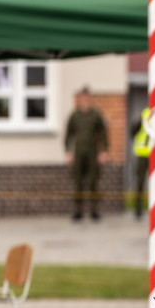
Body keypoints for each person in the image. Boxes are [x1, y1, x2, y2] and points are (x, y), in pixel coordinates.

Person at [64, 87, 108, 221]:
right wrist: (68, 152)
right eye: (83, 97)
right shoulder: (75, 115)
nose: (85, 99)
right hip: (78, 152)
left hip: (92, 152)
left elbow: (103, 134)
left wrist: (104, 151)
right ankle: (78, 211)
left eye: (87, 97)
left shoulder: (95, 115)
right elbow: (68, 134)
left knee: (94, 181)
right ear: (80, 98)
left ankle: (94, 211)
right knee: (78, 181)